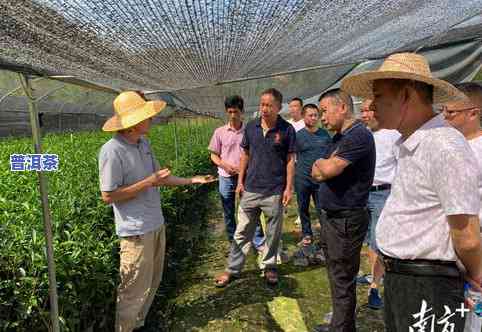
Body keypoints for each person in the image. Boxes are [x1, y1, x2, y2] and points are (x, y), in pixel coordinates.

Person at [342, 52, 482, 332]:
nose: (371, 105)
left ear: (406, 95)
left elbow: (465, 234)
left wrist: (477, 277)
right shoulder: (411, 144)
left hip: (429, 285)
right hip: (407, 281)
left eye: (379, 96)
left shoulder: (443, 146)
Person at [98, 91, 214, 332]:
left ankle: (139, 325)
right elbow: (108, 196)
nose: (151, 119)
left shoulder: (143, 143)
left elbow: (160, 179)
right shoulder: (112, 151)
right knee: (132, 290)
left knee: (152, 281)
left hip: (155, 223)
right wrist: (148, 182)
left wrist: (192, 180)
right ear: (133, 122)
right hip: (135, 232)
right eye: (147, 116)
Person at [215, 88, 296, 286]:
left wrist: (289, 188)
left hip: (274, 190)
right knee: (242, 231)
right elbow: (245, 155)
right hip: (250, 188)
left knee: (273, 232)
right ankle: (232, 269)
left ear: (278, 107)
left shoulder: (286, 130)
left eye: (269, 105)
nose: (264, 108)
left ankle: (269, 266)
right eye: (262, 104)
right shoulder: (251, 127)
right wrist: (241, 181)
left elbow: (290, 160)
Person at [311, 89, 376, 332]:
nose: (322, 118)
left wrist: (322, 166)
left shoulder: (358, 136)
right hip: (333, 219)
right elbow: (316, 170)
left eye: (325, 111)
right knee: (337, 277)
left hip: (346, 220)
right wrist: (321, 166)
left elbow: (324, 171)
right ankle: (341, 325)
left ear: (343, 108)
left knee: (342, 279)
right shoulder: (338, 138)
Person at [442, 82, 482, 332]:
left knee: (474, 311)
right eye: (443, 110)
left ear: (474, 112)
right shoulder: (449, 146)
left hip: (474, 242)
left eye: (451, 112)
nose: (444, 117)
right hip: (450, 243)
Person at [356, 99, 400, 310]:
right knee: (365, 240)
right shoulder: (361, 134)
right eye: (362, 111)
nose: (365, 115)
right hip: (361, 193)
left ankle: (375, 287)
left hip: (383, 194)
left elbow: (401, 167)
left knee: (377, 241)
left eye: (369, 110)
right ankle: (371, 275)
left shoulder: (392, 135)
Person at [209, 95, 265, 250]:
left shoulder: (249, 131)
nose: (233, 115)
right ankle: (234, 240)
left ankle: (258, 240)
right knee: (228, 210)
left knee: (251, 208)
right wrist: (224, 165)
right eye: (230, 111)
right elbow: (213, 154)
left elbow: (256, 153)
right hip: (225, 177)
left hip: (246, 176)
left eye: (236, 111)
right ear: (227, 111)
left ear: (242, 111)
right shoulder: (219, 132)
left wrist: (246, 168)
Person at [294, 104, 330, 247]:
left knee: (322, 208)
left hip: (321, 179)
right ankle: (307, 234)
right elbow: (291, 157)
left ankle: (326, 236)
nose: (314, 118)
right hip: (302, 178)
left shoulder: (324, 135)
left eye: (316, 115)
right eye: (310, 115)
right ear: (303, 117)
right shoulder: (298, 136)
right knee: (303, 207)